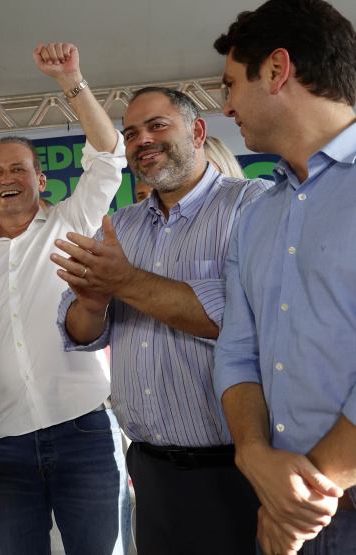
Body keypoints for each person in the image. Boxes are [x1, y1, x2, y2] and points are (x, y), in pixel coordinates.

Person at [53, 86, 272, 554]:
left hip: (239, 471)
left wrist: (126, 281)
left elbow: (237, 319)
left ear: (197, 131)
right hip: (150, 473)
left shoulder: (252, 205)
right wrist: (90, 305)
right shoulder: (123, 226)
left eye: (157, 126)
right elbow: (78, 333)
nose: (142, 140)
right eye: (131, 133)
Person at [0, 42, 130, 554]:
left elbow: (107, 159)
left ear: (40, 179)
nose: (6, 179)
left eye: (18, 169)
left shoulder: (72, 222)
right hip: (6, 444)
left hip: (85, 429)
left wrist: (71, 80)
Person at [213, 1, 356, 552]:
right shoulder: (255, 216)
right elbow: (236, 350)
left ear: (277, 70)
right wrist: (252, 455)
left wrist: (303, 498)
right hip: (278, 504)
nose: (227, 108)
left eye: (231, 85)